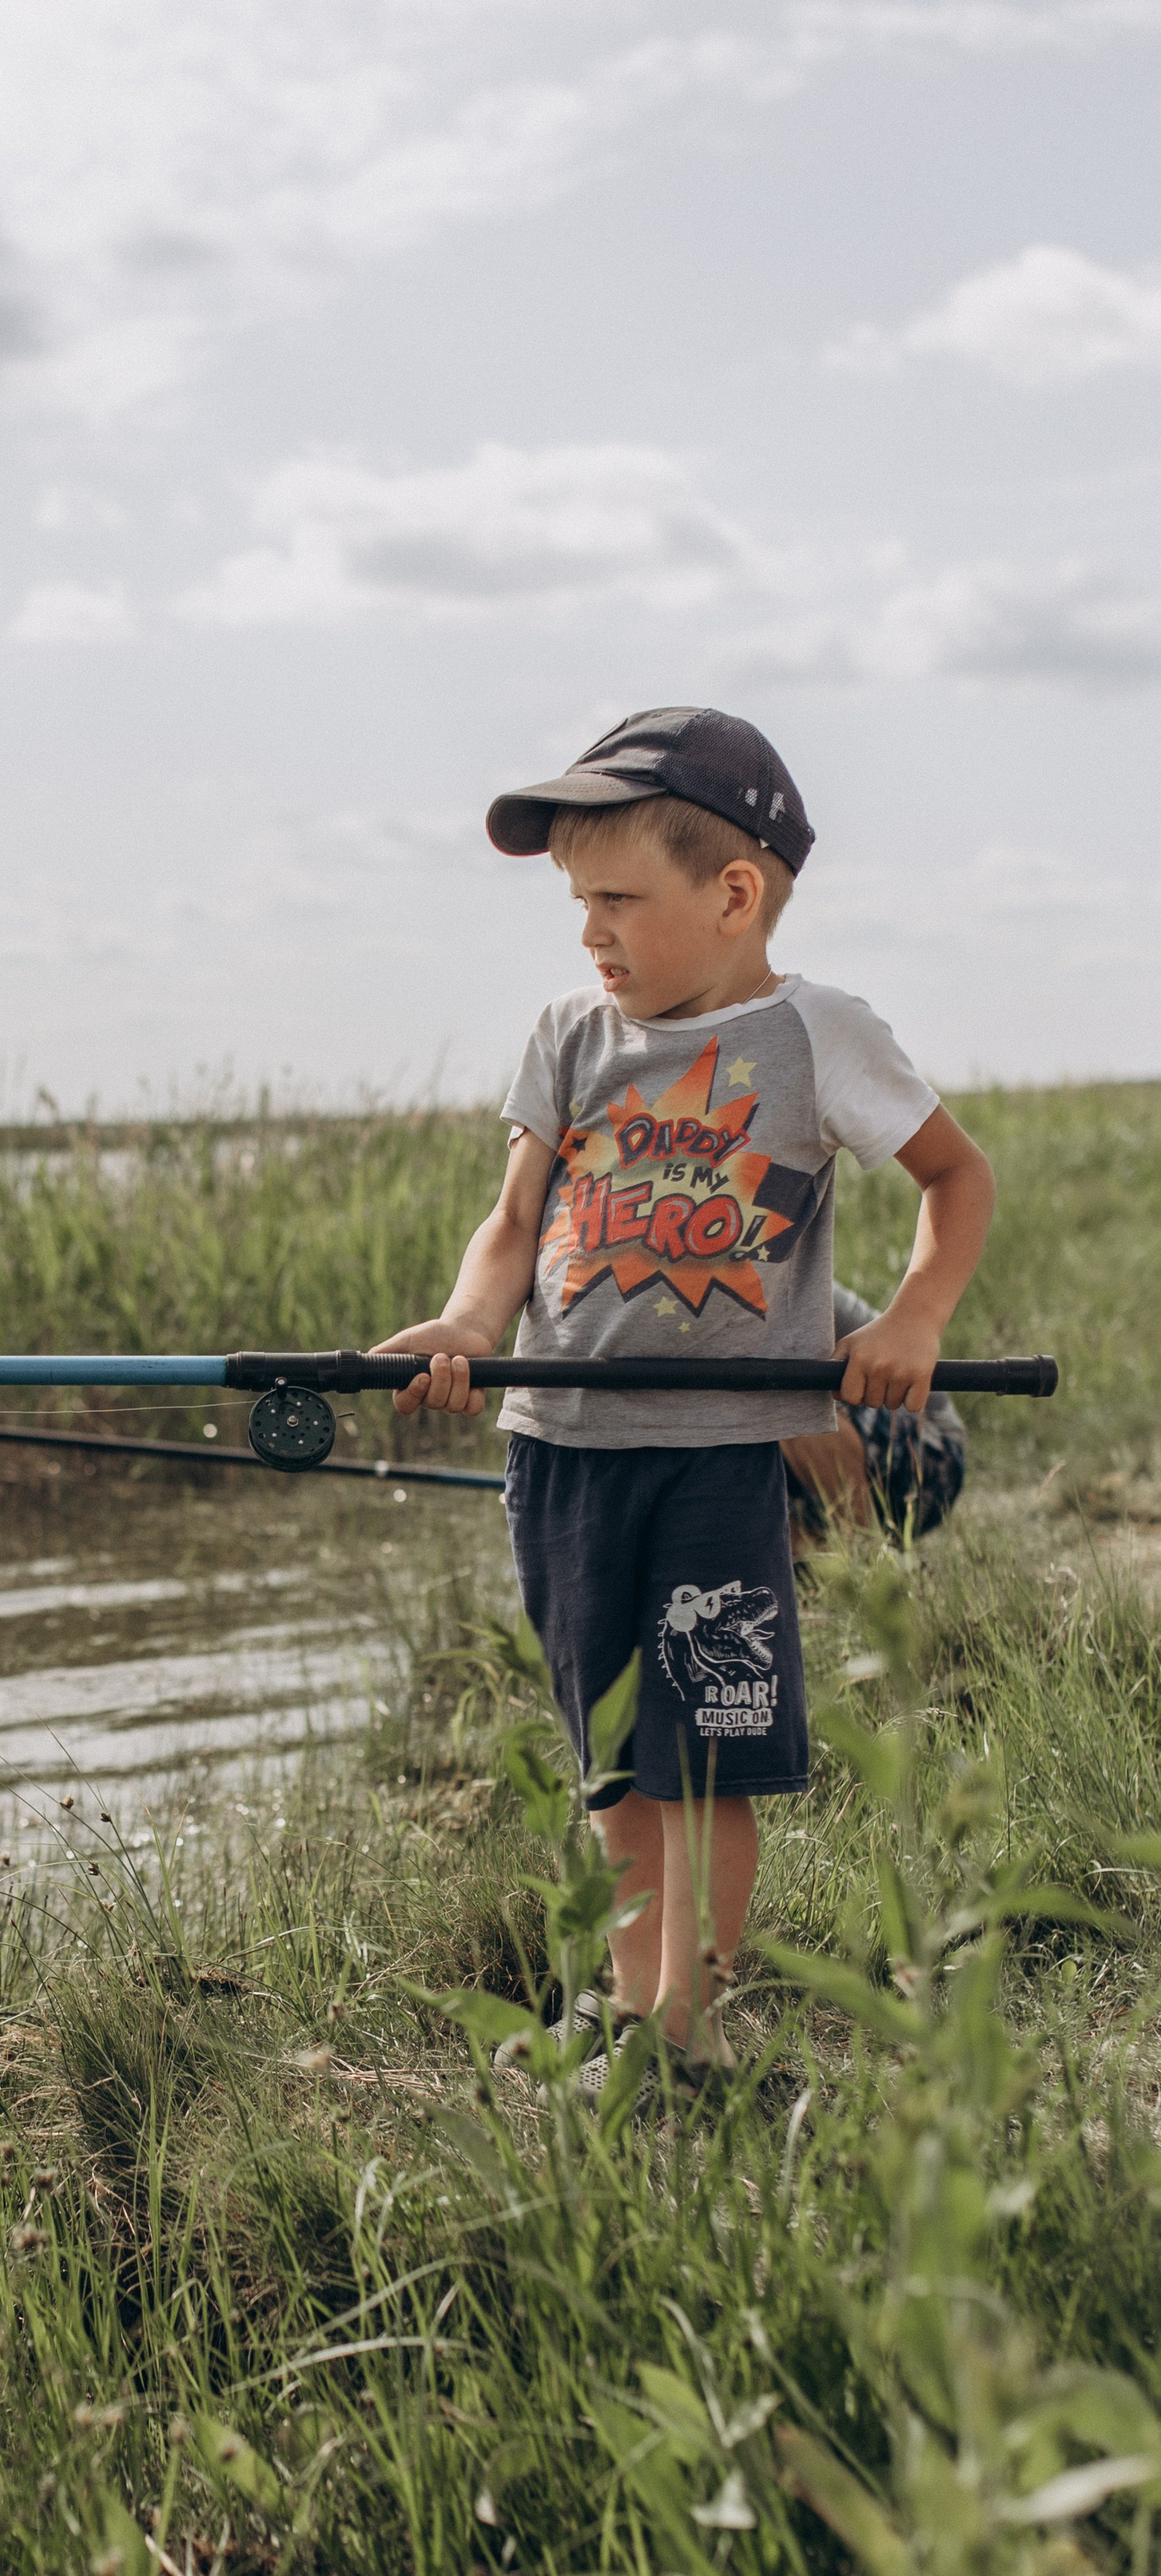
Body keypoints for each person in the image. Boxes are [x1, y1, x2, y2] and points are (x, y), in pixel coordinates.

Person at [373, 707, 993, 2074]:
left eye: (616, 900)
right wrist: (473, 1324)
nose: (590, 932)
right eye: (576, 902)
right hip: (564, 1452)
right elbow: (515, 1220)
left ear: (733, 894)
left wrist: (912, 1317)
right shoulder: (568, 1034)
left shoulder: (815, 1036)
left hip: (723, 1461)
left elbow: (958, 1180)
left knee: (705, 1751)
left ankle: (685, 2027)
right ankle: (623, 1992)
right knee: (610, 1755)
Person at [781, 1280, 968, 1550]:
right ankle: (813, 1563)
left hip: (930, 1451)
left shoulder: (761, 1279)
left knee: (778, 1400)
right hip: (804, 1476)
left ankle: (868, 1564)